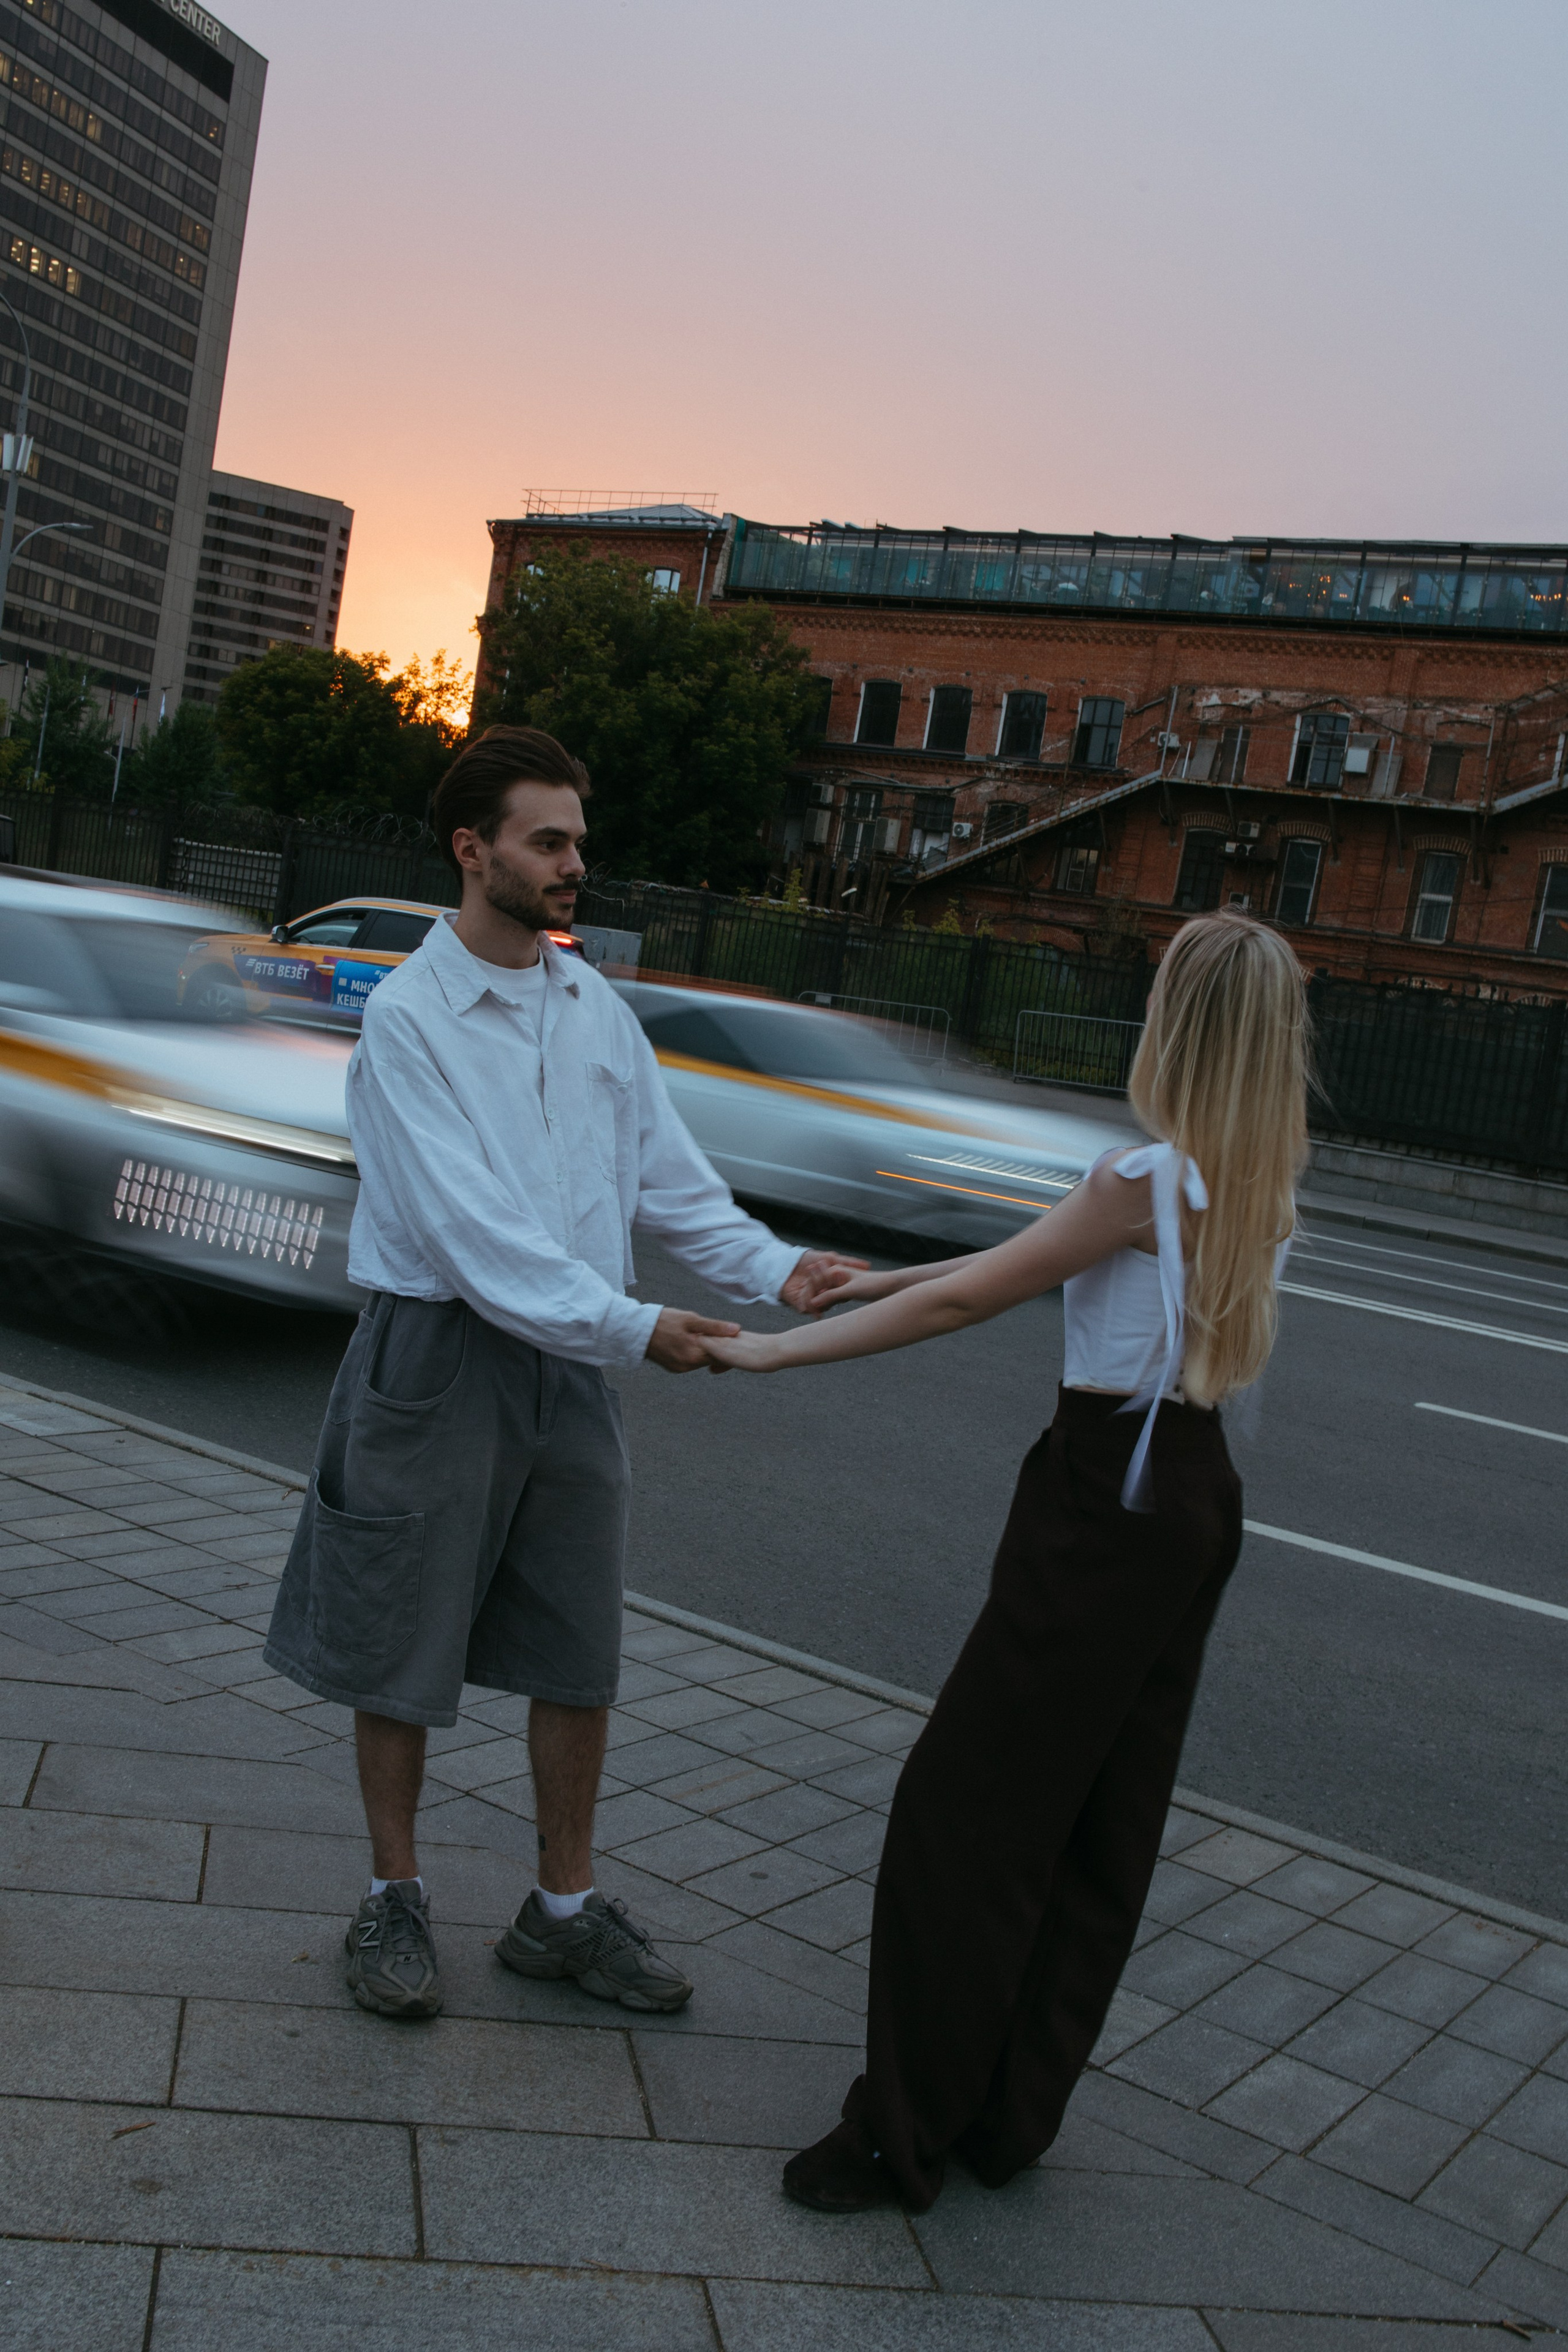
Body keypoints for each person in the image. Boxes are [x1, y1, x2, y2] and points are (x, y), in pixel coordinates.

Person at [700, 910, 1308, 2212]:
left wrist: (765, 1354)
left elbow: (977, 1300)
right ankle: (1005, 2115)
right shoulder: (1244, 1180)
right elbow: (1019, 1266)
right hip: (1191, 1500)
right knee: (1098, 1820)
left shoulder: (1141, 1177)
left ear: (1177, 1027)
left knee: (962, 1814)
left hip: (1104, 1503)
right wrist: (868, 1284)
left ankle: (897, 2134)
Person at [263, 725, 861, 2024]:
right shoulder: (411, 1026)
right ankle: (393, 1901)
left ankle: (563, 1912)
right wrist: (632, 1325)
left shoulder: (591, 1005)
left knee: (578, 1649)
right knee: (399, 1642)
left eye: (578, 839)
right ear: (472, 851)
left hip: (573, 1363)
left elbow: (665, 1177)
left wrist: (774, 1272)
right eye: (549, 839)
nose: (573, 862)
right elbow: (474, 1239)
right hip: (441, 1358)